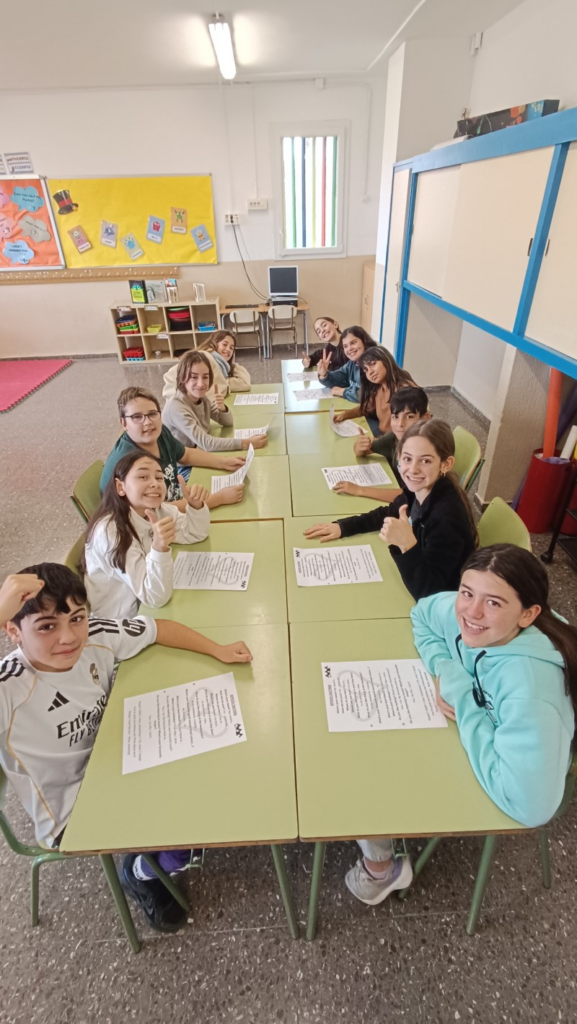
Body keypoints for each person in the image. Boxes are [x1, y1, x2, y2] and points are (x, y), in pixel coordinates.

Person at [0, 562, 252, 932]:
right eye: (47, 626)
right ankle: (139, 871)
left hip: (117, 756)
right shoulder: (10, 686)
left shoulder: (94, 634)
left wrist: (219, 650)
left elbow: (158, 629)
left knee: (210, 774)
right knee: (190, 818)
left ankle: (160, 852)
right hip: (72, 810)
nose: (68, 637)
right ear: (13, 631)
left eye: (77, 618)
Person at [345, 545, 577, 907]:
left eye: (493, 603)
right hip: (487, 739)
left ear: (528, 614)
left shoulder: (530, 692)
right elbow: (422, 613)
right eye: (467, 592)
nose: (471, 611)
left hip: (520, 777)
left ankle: (381, 867)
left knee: (369, 774)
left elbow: (532, 807)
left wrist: (464, 699)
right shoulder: (469, 615)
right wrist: (444, 666)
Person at [303, 419, 477, 601]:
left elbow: (430, 592)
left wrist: (407, 544)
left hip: (448, 602)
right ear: (399, 456)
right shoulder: (418, 489)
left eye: (425, 461)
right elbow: (389, 512)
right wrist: (344, 527)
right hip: (419, 578)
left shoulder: (446, 517)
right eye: (407, 458)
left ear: (445, 464)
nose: (413, 469)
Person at [84, 451, 211, 617]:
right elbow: (155, 597)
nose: (154, 483)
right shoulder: (110, 532)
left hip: (150, 603)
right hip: (126, 619)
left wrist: (195, 506)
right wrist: (159, 548)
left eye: (159, 477)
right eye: (143, 477)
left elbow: (195, 533)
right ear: (120, 487)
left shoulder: (156, 509)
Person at [100, 387, 245, 509]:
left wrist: (224, 462)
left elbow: (186, 455)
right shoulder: (128, 461)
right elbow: (159, 510)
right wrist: (218, 499)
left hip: (172, 499)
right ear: (124, 423)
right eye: (137, 417)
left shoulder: (159, 432)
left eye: (152, 414)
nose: (148, 422)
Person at [334, 386, 430, 502]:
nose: (400, 424)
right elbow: (365, 451)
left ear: (425, 418)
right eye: (395, 417)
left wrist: (359, 490)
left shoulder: (426, 452)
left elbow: (411, 496)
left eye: (409, 416)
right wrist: (360, 446)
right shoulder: (394, 438)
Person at [161, 351, 267, 454]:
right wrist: (245, 443)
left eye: (205, 377)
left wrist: (222, 408)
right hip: (181, 462)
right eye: (194, 377)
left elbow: (228, 422)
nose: (201, 384)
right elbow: (206, 443)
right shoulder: (176, 406)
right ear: (182, 378)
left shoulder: (202, 398)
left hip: (197, 453)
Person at [332, 346, 417, 437]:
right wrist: (345, 415)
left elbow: (410, 431)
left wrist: (378, 442)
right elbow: (366, 408)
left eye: (373, 364)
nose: (370, 372)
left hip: (395, 439)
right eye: (366, 370)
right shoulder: (380, 387)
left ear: (386, 359)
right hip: (383, 434)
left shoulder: (405, 390)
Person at [162, 331, 251, 400]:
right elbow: (172, 375)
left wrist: (232, 365)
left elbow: (244, 384)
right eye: (224, 344)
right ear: (213, 343)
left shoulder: (221, 369)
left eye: (232, 348)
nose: (228, 349)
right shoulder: (205, 356)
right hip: (183, 406)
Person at [317, 326, 376, 403]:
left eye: (353, 343)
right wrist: (324, 374)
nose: (349, 349)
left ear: (364, 341)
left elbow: (369, 395)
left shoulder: (374, 363)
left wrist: (342, 391)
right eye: (345, 346)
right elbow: (338, 379)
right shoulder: (352, 364)